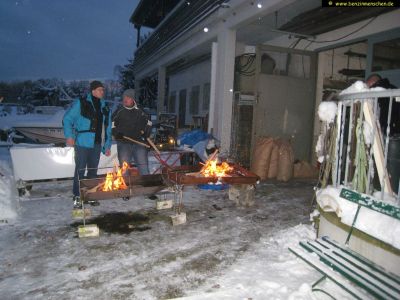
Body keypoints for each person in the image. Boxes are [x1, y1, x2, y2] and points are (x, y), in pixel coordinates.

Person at [63, 81, 112, 208]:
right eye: (100, 89)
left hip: (97, 145)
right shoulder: (82, 103)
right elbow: (67, 119)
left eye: (103, 89)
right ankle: (77, 197)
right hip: (82, 143)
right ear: (93, 91)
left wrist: (107, 145)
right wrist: (69, 136)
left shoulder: (105, 107)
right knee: (80, 171)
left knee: (92, 172)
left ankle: (91, 196)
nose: (102, 92)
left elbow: (108, 129)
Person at [112, 89, 152, 175]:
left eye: (128, 97)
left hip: (139, 143)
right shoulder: (119, 112)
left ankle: (146, 185)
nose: (125, 99)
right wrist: (116, 133)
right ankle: (124, 186)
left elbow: (149, 122)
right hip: (124, 144)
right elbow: (112, 125)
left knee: (143, 167)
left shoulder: (141, 111)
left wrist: (146, 132)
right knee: (124, 170)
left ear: (133, 99)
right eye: (124, 97)